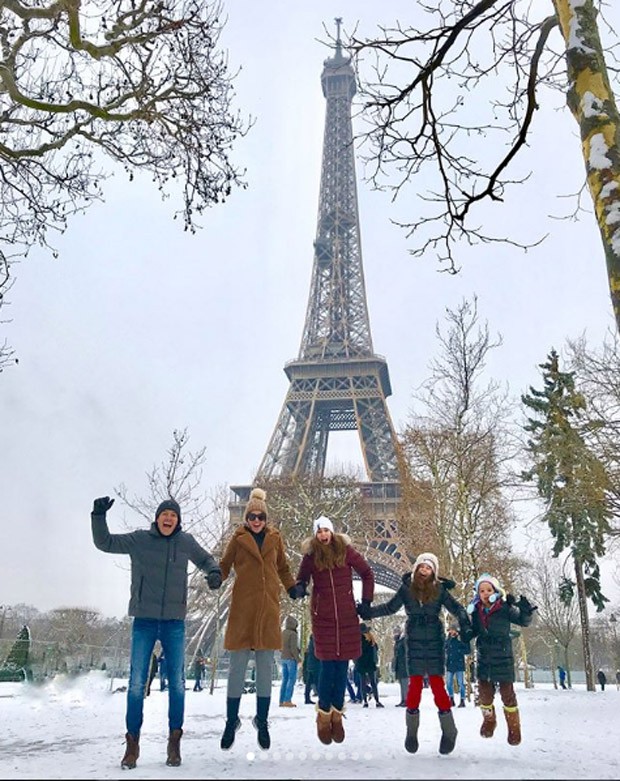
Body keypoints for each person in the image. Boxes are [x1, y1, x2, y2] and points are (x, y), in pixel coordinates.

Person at [91, 495, 222, 769]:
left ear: (178, 520)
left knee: (177, 684)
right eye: (165, 514)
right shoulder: (140, 539)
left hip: (174, 621)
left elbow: (207, 559)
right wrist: (99, 517)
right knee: (137, 683)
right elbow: (105, 543)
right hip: (145, 620)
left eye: (173, 515)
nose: (169, 518)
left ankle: (174, 742)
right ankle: (132, 744)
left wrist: (213, 573)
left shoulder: (185, 542)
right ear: (157, 517)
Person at [357, 552, 470, 756]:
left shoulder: (440, 589)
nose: (424, 570)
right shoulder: (407, 588)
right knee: (415, 685)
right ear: (416, 568)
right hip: (414, 640)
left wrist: (465, 622)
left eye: (428, 568)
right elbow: (390, 608)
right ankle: (411, 731)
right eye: (421, 567)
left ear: (433, 571)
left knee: (437, 685)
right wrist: (368, 612)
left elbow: (456, 608)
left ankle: (449, 730)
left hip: (435, 640)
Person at [218, 487, 299, 752]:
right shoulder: (238, 538)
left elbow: (284, 568)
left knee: (265, 669)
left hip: (267, 611)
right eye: (251, 516)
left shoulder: (276, 538)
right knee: (236, 670)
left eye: (260, 517)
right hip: (243, 610)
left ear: (266, 519)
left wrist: (292, 587)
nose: (256, 520)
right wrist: (214, 578)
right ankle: (232, 721)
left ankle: (261, 721)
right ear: (246, 517)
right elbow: (224, 565)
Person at [295, 515, 375, 745]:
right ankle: (323, 716)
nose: (323, 535)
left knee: (341, 668)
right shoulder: (311, 556)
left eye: (326, 530)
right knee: (327, 667)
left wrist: (366, 602)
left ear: (332, 531)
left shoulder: (347, 551)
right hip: (324, 619)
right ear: (315, 534)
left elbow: (367, 573)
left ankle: (337, 715)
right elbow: (301, 579)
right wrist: (300, 588)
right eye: (319, 531)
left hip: (348, 617)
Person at [466, 573, 537, 747]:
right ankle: (489, 720)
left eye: (488, 589)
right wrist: (464, 631)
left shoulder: (505, 608)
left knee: (508, 695)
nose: (485, 593)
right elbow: (473, 631)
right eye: (481, 590)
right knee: (484, 695)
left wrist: (525, 610)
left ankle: (514, 728)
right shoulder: (476, 611)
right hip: (484, 658)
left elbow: (523, 621)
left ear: (495, 591)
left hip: (503, 657)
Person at [354, 623, 384, 707]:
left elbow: (357, 652)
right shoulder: (371, 639)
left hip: (361, 663)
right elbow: (376, 649)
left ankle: (365, 702)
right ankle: (377, 701)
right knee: (373, 682)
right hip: (371, 663)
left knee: (362, 683)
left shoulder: (358, 640)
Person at [445, 624, 470, 707]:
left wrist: (459, 651)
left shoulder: (460, 639)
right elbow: (445, 648)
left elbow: (467, 650)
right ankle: (451, 698)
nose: (451, 632)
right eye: (450, 630)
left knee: (461, 683)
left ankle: (462, 700)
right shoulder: (448, 639)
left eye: (452, 630)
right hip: (450, 664)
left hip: (459, 664)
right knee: (448, 683)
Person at [279, 615, 301, 707]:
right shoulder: (293, 634)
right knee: (291, 679)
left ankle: (281, 700)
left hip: (283, 658)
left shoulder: (283, 633)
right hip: (291, 659)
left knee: (285, 679)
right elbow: (293, 649)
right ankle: (287, 700)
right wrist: (298, 659)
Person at [392, 626, 408, 707]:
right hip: (399, 666)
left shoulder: (403, 641)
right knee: (401, 684)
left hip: (404, 666)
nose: (395, 634)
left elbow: (406, 653)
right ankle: (403, 700)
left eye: (396, 632)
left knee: (405, 684)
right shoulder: (397, 642)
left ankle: (406, 700)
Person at [302, 634, 320, 704]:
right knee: (317, 682)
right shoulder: (315, 642)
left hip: (310, 664)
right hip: (316, 665)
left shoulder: (310, 642)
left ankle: (307, 698)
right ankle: (322, 698)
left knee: (308, 683)